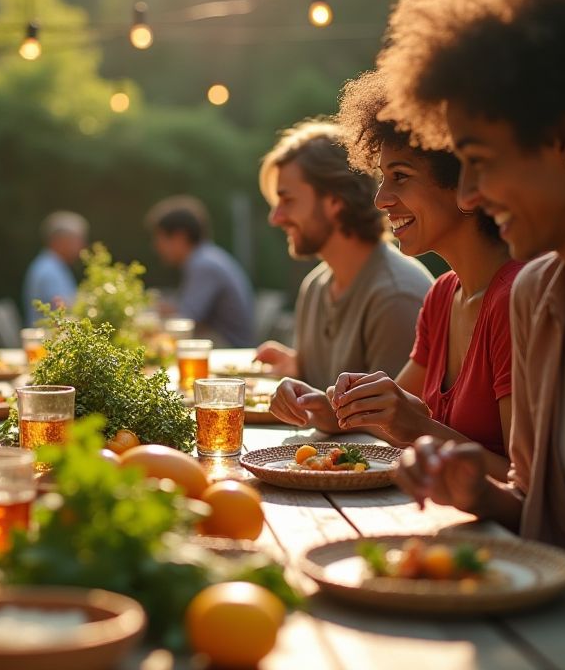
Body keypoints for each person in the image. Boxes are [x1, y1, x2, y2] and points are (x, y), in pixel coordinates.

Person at [379, 0, 565, 614]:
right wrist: (480, 494)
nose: (467, 196)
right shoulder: (539, 300)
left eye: (479, 164)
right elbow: (548, 520)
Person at [270, 71, 520, 477]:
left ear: (466, 184)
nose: (381, 199)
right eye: (383, 178)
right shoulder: (443, 296)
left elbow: (524, 484)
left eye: (400, 177)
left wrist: (419, 428)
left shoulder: (513, 301)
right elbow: (391, 413)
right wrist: (328, 408)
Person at [254, 120, 432, 389]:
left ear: (335, 202)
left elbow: (389, 424)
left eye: (287, 200)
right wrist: (296, 368)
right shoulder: (314, 288)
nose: (275, 218)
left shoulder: (395, 297)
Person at [145, 195, 254, 347]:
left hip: (229, 347)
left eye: (160, 238)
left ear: (179, 237)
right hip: (226, 341)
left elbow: (186, 320)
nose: (156, 246)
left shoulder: (203, 265)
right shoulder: (206, 256)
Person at [22, 210, 88, 326]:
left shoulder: (52, 265)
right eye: (77, 240)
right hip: (47, 339)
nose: (82, 246)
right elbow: (62, 310)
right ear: (59, 241)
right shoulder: (49, 271)